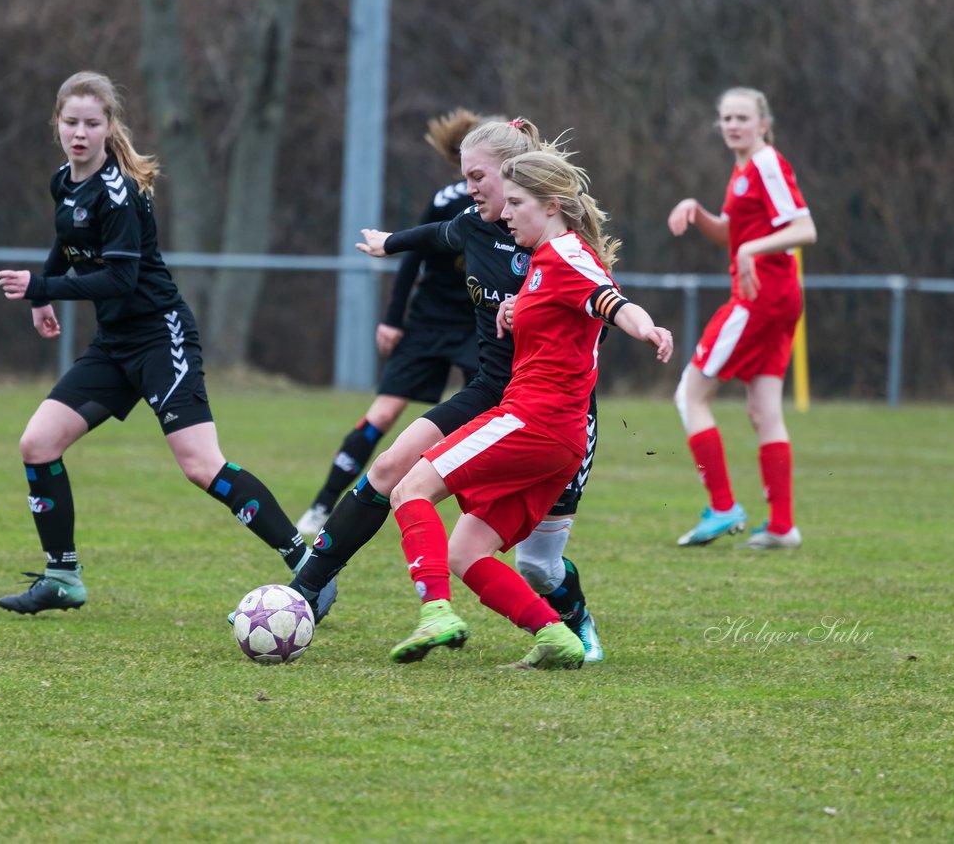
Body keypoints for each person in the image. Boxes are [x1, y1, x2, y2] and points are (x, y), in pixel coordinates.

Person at [287, 119, 607, 662]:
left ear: (515, 179)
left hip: (551, 412)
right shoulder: (473, 225)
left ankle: (575, 624)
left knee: (537, 564)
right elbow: (435, 235)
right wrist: (390, 243)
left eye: (478, 176)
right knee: (389, 469)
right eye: (464, 177)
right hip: (490, 392)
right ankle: (304, 592)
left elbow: (597, 303)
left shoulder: (556, 245)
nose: (469, 188)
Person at [0, 71, 309, 613]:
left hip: (161, 337)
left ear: (109, 126)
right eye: (71, 122)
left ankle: (309, 565)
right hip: (114, 345)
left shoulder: (119, 194)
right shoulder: (64, 182)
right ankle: (62, 577)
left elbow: (119, 278)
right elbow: (68, 240)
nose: (80, 133)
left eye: (92, 123)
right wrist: (40, 295)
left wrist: (42, 287)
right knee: (38, 444)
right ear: (57, 125)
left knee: (201, 465)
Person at [387, 147, 673, 669]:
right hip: (556, 439)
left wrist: (645, 327)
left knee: (409, 488)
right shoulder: (545, 261)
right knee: (465, 552)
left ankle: (435, 612)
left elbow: (609, 302)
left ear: (552, 205)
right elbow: (563, 306)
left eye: (517, 202)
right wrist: (513, 308)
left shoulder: (567, 255)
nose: (507, 212)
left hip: (532, 422)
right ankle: (555, 635)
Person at [294, 108, 483, 540]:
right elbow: (412, 257)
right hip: (429, 321)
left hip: (479, 325)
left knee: (488, 420)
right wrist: (394, 320)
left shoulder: (515, 207)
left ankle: (484, 521)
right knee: (381, 413)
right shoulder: (448, 201)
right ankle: (323, 504)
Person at [666, 86, 817, 549]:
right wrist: (699, 212)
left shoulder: (767, 162)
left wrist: (751, 248)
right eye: (726, 118)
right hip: (779, 297)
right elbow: (733, 235)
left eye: (742, 118)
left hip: (759, 297)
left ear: (763, 124)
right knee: (763, 410)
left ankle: (724, 504)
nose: (733, 125)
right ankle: (782, 527)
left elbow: (804, 229)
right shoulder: (744, 170)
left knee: (689, 393)